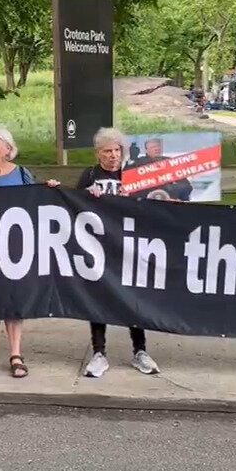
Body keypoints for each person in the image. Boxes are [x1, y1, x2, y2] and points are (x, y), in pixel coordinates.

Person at [0, 128, 59, 379]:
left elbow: (37, 202)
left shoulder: (21, 173)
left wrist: (51, 189)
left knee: (15, 299)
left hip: (16, 248)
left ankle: (16, 354)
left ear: (8, 148)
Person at [76, 127, 160, 378]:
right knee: (97, 300)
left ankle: (140, 351)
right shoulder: (89, 175)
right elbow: (73, 204)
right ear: (97, 153)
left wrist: (135, 196)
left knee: (133, 298)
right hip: (99, 248)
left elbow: (151, 205)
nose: (113, 155)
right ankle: (99, 353)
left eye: (117, 150)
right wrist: (87, 196)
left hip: (129, 246)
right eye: (107, 151)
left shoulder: (134, 175)